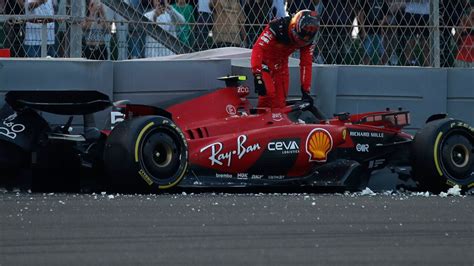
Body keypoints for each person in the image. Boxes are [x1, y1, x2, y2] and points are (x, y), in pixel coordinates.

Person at [251, 10, 319, 109]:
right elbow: (258, 48)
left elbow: (306, 64)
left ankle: (277, 122)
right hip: (263, 62)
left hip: (281, 65)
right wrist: (257, 74)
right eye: (299, 38)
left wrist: (305, 90)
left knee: (280, 101)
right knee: (268, 94)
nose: (300, 42)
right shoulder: (277, 27)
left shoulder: (308, 42)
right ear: (293, 26)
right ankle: (260, 120)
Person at [357, 0, 389, 65]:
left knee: (381, 52)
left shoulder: (383, 2)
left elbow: (386, 16)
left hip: (379, 31)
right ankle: (365, 69)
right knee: (367, 52)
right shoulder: (365, 1)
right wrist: (363, 30)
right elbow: (360, 15)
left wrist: (382, 23)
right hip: (367, 30)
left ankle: (381, 70)